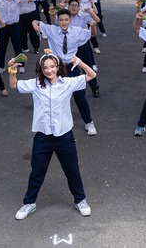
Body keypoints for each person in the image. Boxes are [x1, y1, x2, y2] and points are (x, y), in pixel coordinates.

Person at [9, 51, 97, 220]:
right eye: (45, 68)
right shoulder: (35, 84)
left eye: (52, 67)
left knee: (72, 170)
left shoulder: (68, 83)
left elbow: (92, 75)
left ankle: (80, 200)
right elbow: (14, 86)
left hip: (64, 136)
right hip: (43, 137)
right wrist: (12, 70)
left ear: (58, 67)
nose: (49, 70)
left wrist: (80, 62)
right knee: (37, 171)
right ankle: (29, 203)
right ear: (40, 69)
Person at [33, 9, 98, 136]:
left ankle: (89, 122)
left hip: (71, 67)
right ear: (57, 20)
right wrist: (34, 23)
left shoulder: (76, 31)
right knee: (53, 95)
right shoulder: (51, 30)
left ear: (70, 20)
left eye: (66, 20)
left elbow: (91, 34)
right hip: (56, 69)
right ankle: (52, 124)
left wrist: (93, 27)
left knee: (79, 95)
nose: (63, 22)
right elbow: (36, 21)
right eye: (61, 20)